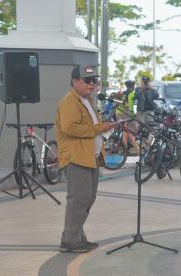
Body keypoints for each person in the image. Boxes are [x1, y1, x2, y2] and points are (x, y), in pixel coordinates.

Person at [55, 65, 116, 253]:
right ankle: (70, 240)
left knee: (87, 198)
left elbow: (91, 125)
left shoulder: (86, 100)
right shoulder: (69, 102)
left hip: (90, 157)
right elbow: (70, 128)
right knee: (79, 199)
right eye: (87, 80)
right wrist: (100, 128)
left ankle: (77, 237)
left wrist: (104, 127)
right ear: (75, 81)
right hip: (76, 158)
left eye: (94, 81)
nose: (92, 84)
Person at [116, 80, 139, 155]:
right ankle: (136, 148)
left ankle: (125, 149)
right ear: (133, 86)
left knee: (125, 131)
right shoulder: (131, 93)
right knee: (134, 129)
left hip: (119, 112)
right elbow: (130, 105)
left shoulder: (124, 93)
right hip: (125, 114)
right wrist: (133, 115)